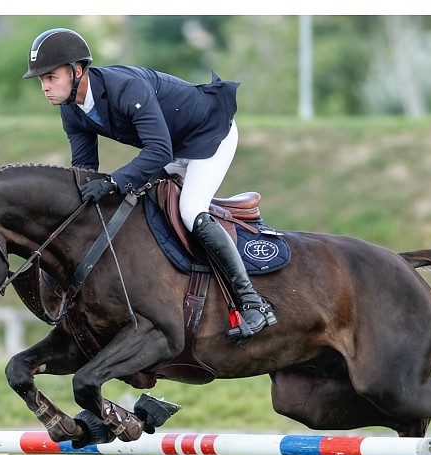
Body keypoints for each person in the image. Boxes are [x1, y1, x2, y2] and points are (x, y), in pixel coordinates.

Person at [24, 27, 277, 344]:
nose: (45, 87)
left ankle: (253, 303)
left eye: (51, 78)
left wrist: (115, 182)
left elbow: (158, 152)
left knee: (190, 210)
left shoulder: (125, 88)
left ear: (76, 71)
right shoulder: (71, 110)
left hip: (210, 135)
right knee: (146, 208)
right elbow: (85, 168)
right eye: (41, 81)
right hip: (174, 144)